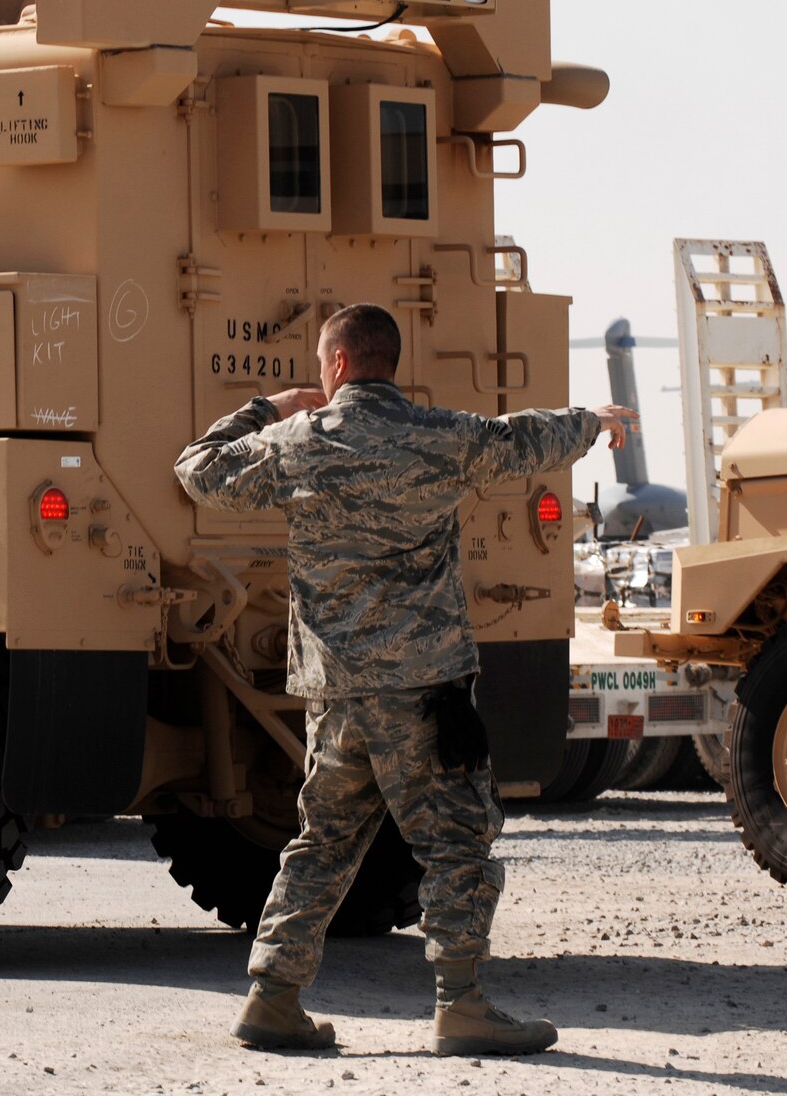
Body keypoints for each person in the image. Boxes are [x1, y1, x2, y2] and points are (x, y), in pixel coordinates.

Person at [173, 302, 635, 1057]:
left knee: (322, 841)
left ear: (340, 364)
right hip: (423, 690)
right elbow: (523, 439)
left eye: (323, 365)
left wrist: (270, 407)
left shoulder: (298, 442)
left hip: (335, 692)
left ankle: (273, 998)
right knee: (457, 840)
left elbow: (196, 472)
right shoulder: (440, 436)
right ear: (390, 362)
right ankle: (462, 1005)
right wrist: (592, 420)